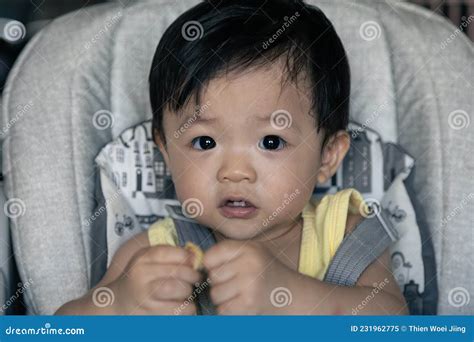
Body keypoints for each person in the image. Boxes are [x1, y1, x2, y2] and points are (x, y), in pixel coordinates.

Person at [56, 0, 407, 315]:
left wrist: (289, 295)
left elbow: (395, 323)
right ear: (164, 149)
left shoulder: (342, 234)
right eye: (204, 142)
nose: (235, 172)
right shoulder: (155, 250)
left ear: (328, 157)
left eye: (271, 142)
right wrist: (118, 304)